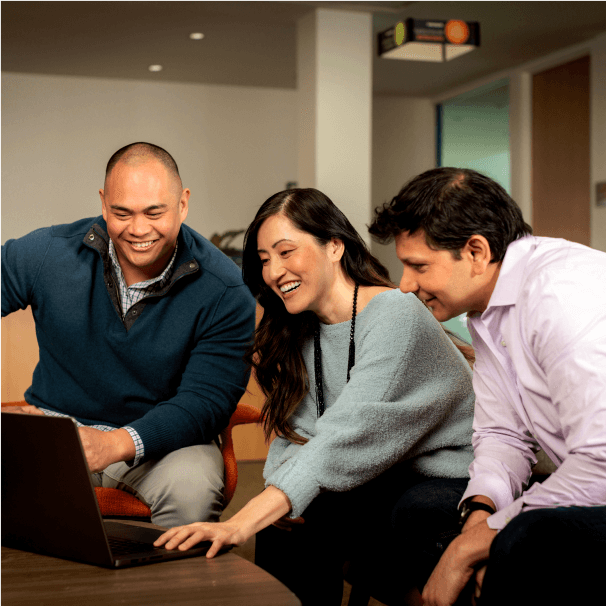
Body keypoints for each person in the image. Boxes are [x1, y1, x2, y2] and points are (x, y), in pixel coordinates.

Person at [155, 187, 476, 605]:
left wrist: (239, 523)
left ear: (335, 247)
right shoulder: (303, 328)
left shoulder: (395, 313)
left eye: (286, 252)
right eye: (265, 260)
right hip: (377, 474)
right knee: (289, 521)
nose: (273, 272)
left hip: (446, 474)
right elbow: (300, 432)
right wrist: (280, 494)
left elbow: (349, 433)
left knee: (377, 510)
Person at [369, 167, 606, 606]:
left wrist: (469, 547)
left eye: (418, 266)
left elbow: (600, 463)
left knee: (529, 539)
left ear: (476, 252)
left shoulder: (561, 296)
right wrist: (481, 513)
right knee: (420, 510)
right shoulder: (487, 307)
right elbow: (502, 434)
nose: (405, 285)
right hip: (588, 481)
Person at [1, 142, 256, 527]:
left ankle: (163, 588)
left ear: (183, 204)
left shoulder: (225, 289)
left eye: (155, 212)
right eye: (122, 213)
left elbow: (206, 402)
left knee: (193, 491)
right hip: (56, 432)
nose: (138, 230)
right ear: (104, 203)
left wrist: (114, 444)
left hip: (164, 444)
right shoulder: (46, 254)